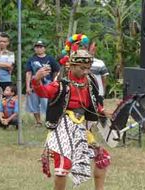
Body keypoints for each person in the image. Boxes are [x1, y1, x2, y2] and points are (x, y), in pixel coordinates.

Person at [32, 49, 111, 190]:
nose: (86, 71)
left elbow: (94, 103)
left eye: (88, 68)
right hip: (62, 127)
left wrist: (103, 111)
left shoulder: (90, 82)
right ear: (72, 65)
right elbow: (43, 92)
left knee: (102, 158)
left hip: (81, 128)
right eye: (82, 68)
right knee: (63, 166)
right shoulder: (62, 84)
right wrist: (37, 80)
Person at [25, 40, 60, 126]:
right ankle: (38, 121)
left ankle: (48, 120)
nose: (39, 48)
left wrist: (54, 81)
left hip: (47, 84)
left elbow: (57, 70)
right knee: (34, 103)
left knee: (46, 103)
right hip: (34, 84)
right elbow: (28, 73)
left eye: (41, 47)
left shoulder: (50, 58)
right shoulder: (31, 59)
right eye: (37, 47)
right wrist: (27, 86)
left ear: (44, 48)